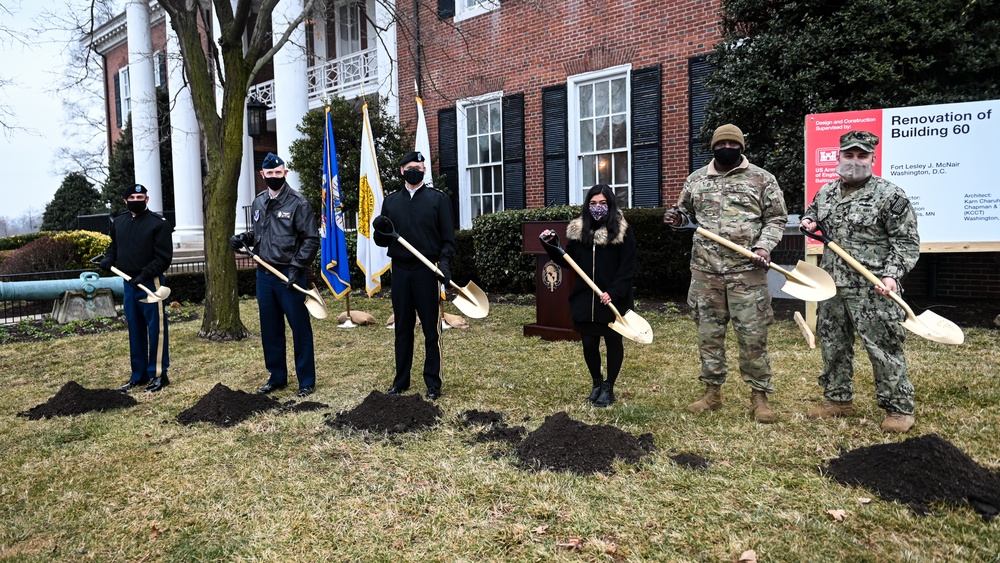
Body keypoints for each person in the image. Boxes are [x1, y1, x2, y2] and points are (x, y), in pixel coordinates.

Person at [663, 124, 787, 423]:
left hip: (747, 272)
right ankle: (712, 392)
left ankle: (759, 397)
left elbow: (777, 218)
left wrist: (764, 247)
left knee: (752, 337)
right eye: (722, 143)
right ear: (714, 146)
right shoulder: (696, 180)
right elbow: (684, 213)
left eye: (733, 143)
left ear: (741, 147)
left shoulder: (762, 179)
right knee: (709, 335)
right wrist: (675, 217)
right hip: (706, 272)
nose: (727, 147)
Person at [800, 130, 920, 433]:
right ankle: (838, 399)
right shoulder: (826, 191)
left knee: (883, 347)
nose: (855, 161)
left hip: (874, 287)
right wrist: (808, 221)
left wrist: (892, 275)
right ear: (839, 157)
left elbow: (906, 242)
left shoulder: (890, 195)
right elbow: (813, 214)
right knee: (833, 344)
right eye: (849, 155)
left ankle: (899, 409)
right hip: (832, 284)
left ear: (872, 159)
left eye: (862, 155)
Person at [229, 152, 320, 398]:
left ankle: (306, 381)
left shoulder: (298, 202)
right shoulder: (259, 202)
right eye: (269, 174)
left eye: (278, 173)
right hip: (265, 275)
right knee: (270, 328)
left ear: (285, 173)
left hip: (289, 275)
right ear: (263, 175)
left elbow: (311, 239)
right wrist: (245, 238)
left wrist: (296, 267)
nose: (274, 177)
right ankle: (277, 377)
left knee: (299, 328)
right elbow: (261, 233)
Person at [539, 184, 637, 407]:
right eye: (593, 203)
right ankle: (596, 384)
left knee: (613, 342)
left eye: (602, 203)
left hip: (613, 299)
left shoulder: (622, 231)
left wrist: (613, 292)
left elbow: (628, 267)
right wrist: (550, 246)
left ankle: (609, 387)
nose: (597, 207)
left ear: (610, 205)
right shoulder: (578, 231)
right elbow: (567, 262)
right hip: (586, 299)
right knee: (589, 343)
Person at [372, 151, 455, 400]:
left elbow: (448, 239)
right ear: (401, 171)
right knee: (403, 328)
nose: (414, 170)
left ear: (424, 171)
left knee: (431, 328)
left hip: (426, 271)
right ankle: (401, 381)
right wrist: (379, 230)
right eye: (410, 167)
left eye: (419, 167)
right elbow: (380, 240)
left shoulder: (438, 200)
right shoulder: (391, 201)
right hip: (400, 272)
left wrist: (446, 264)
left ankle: (433, 383)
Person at [100, 183, 173, 393]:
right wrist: (108, 259)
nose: (136, 200)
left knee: (156, 330)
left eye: (141, 197)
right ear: (125, 200)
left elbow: (163, 258)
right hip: (129, 284)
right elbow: (115, 246)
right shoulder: (119, 222)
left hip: (151, 284)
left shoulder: (158, 224)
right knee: (135, 329)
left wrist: (143, 275)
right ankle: (138, 375)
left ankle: (159, 375)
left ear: (147, 200)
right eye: (132, 197)